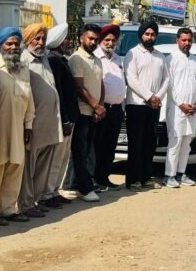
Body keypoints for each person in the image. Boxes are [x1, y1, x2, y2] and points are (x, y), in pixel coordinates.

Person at [0, 27, 34, 225]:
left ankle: (8, 209)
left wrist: (29, 125)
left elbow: (29, 99)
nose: (14, 47)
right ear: (1, 46)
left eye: (16, 43)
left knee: (16, 165)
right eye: (9, 43)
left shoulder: (23, 69)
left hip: (19, 126)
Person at [18, 23, 63, 218]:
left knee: (43, 165)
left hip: (49, 121)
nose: (40, 42)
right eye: (36, 38)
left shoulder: (44, 58)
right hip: (33, 123)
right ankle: (26, 204)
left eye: (43, 39)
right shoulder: (23, 60)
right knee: (28, 166)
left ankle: (35, 200)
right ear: (28, 40)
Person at [124, 22, 169, 190]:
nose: (150, 37)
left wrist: (157, 97)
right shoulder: (132, 53)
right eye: (147, 34)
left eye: (153, 34)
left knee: (150, 143)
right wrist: (149, 96)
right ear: (141, 35)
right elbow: (131, 79)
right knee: (136, 143)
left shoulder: (160, 56)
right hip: (136, 105)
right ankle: (133, 179)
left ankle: (146, 178)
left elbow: (166, 79)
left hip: (154, 106)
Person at [162, 28, 196, 187]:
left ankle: (181, 173)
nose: (187, 43)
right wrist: (181, 104)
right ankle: (169, 175)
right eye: (184, 40)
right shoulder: (171, 59)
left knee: (187, 142)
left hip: (193, 109)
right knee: (176, 141)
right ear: (177, 41)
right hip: (176, 108)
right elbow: (170, 85)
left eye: (189, 40)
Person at [66, 24, 104, 201]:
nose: (93, 42)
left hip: (94, 113)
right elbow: (79, 87)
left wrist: (100, 106)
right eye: (90, 38)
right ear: (81, 38)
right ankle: (85, 188)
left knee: (87, 150)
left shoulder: (97, 60)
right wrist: (96, 106)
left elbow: (100, 85)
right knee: (79, 151)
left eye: (96, 39)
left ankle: (77, 185)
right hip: (82, 112)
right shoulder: (76, 59)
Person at [44, 24, 78, 204]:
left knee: (63, 157)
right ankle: (48, 193)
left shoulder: (62, 60)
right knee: (56, 159)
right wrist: (64, 120)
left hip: (70, 118)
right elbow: (59, 93)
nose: (69, 42)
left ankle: (55, 191)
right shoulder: (54, 61)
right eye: (66, 39)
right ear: (58, 42)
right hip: (63, 120)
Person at [94, 23, 126, 189]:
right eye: (107, 40)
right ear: (100, 41)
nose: (110, 43)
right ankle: (94, 179)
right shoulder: (96, 58)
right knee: (97, 146)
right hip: (102, 109)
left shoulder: (118, 59)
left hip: (116, 109)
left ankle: (104, 177)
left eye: (113, 40)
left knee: (110, 146)